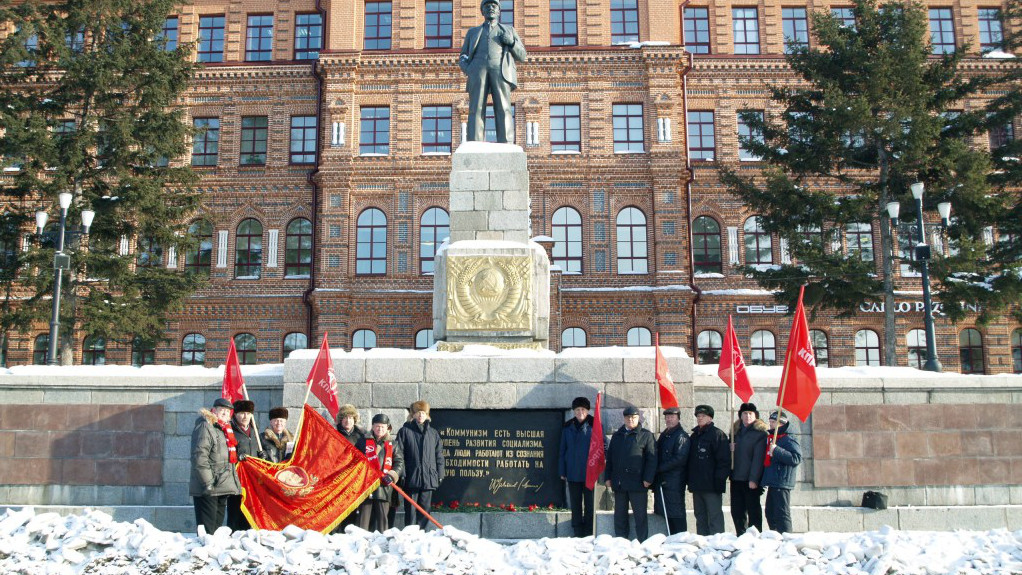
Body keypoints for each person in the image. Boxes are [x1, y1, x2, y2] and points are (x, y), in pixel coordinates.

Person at [458, 0, 527, 143]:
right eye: (487, 6)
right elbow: (463, 56)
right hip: (477, 70)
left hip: (500, 70)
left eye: (494, 6)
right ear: (482, 11)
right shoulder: (473, 32)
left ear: (499, 11)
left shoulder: (509, 30)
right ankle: (475, 142)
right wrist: (468, 69)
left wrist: (512, 42)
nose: (490, 8)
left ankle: (506, 142)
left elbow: (522, 55)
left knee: (503, 106)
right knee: (475, 107)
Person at [189, 397, 241, 536]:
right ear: (214, 411)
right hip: (209, 487)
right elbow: (200, 456)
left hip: (221, 485)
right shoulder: (206, 426)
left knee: (215, 530)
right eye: (221, 410)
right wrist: (208, 483)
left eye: (227, 411)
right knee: (207, 532)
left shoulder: (224, 429)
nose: (224, 413)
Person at [604, 406, 657, 541]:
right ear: (624, 418)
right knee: (620, 515)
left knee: (640, 516)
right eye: (628, 417)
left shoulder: (646, 435)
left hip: (638, 483)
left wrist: (648, 478)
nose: (630, 420)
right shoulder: (617, 435)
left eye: (633, 417)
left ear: (638, 418)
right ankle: (621, 541)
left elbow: (652, 459)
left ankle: (642, 541)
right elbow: (610, 459)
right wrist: (608, 477)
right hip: (620, 482)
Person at [395, 400, 445, 529]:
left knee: (425, 509)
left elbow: (439, 455)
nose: (421, 415)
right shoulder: (404, 431)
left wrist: (440, 474)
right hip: (411, 477)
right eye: (418, 413)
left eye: (423, 413)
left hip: (428, 477)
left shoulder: (433, 433)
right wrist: (402, 474)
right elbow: (398, 454)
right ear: (413, 414)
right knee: (410, 510)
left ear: (427, 414)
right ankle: (410, 533)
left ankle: (422, 533)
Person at [356, 414, 405, 532]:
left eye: (383, 427)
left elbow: (399, 463)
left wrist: (392, 475)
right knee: (363, 521)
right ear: (372, 427)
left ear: (387, 428)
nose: (380, 429)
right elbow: (355, 460)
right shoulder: (362, 442)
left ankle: (384, 545)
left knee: (383, 521)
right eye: (377, 426)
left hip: (384, 488)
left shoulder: (393, 444)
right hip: (366, 487)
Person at [686, 404, 730, 535]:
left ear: (710, 418)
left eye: (703, 416)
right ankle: (702, 542)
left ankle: (717, 543)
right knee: (700, 516)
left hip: (712, 484)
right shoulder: (694, 436)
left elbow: (724, 461)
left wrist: (719, 480)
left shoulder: (717, 434)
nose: (700, 418)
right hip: (697, 484)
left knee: (714, 516)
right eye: (698, 416)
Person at [559, 396, 598, 537]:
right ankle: (577, 531)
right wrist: (562, 471)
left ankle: (589, 531)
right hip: (573, 471)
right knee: (575, 504)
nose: (580, 412)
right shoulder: (568, 426)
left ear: (587, 411)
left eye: (582, 409)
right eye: (577, 410)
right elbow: (562, 450)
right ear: (573, 411)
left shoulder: (595, 425)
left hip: (589, 472)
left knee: (589, 504)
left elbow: (603, 446)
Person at [761, 411, 802, 534]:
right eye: (770, 422)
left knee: (782, 513)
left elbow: (796, 458)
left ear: (781, 424)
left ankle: (786, 537)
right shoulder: (774, 438)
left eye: (773, 422)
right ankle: (775, 535)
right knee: (770, 512)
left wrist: (777, 450)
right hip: (774, 481)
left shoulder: (789, 438)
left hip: (782, 481)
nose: (771, 425)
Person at [730, 402, 767, 535]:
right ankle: (741, 534)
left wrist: (754, 479)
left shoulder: (760, 434)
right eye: (745, 413)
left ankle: (755, 535)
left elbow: (758, 459)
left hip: (750, 479)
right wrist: (730, 449)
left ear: (755, 416)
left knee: (753, 510)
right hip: (736, 477)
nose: (747, 416)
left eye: (750, 414)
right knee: (737, 511)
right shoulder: (735, 432)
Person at [226, 399, 262, 531]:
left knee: (250, 508)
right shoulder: (231, 431)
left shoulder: (254, 431)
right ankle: (233, 532)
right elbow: (226, 452)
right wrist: (237, 458)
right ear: (235, 414)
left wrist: (261, 457)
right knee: (235, 507)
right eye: (242, 413)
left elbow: (258, 448)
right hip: (236, 477)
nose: (245, 416)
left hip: (252, 478)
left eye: (248, 413)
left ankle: (248, 532)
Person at [654, 406, 690, 535]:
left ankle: (680, 537)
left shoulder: (681, 436)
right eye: (667, 417)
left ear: (678, 418)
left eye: (672, 417)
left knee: (676, 512)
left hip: (675, 480)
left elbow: (679, 459)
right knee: (667, 512)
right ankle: (672, 537)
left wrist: (659, 468)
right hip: (664, 479)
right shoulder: (666, 434)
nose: (669, 419)